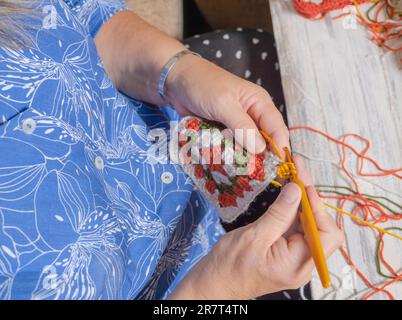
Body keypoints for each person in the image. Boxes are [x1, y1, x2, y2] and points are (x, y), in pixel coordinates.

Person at [0, 0, 343, 300]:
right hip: (202, 283)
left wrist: (177, 71)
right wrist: (220, 289)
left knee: (263, 51)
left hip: (195, 173)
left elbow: (86, 13)